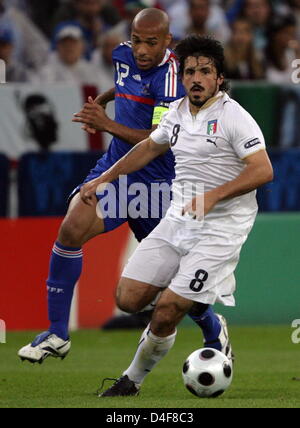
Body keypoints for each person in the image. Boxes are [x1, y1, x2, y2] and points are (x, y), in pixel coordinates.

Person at [18, 9, 227, 365]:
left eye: (151, 43)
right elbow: (127, 84)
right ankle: (57, 333)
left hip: (160, 183)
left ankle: (212, 327)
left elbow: (159, 140)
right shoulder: (121, 54)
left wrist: (106, 124)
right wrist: (106, 98)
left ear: (167, 42)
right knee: (71, 228)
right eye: (137, 40)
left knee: (172, 280)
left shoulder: (175, 79)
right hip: (118, 172)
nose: (142, 50)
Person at [82, 34, 273, 397]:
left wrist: (214, 196)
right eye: (189, 72)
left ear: (219, 78)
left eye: (205, 71)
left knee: (167, 309)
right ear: (181, 77)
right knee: (128, 298)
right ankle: (210, 318)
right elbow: (148, 148)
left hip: (221, 228)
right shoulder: (177, 113)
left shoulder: (235, 117)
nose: (196, 78)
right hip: (178, 220)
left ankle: (131, 380)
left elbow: (263, 170)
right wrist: (104, 179)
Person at [34, 25, 103, 86]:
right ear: (58, 47)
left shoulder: (92, 71)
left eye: (73, 43)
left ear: (82, 47)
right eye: (65, 44)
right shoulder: (46, 72)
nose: (69, 47)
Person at [265, 14, 300, 84]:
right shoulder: (262, 56)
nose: (290, 38)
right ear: (275, 35)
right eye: (287, 33)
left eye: (292, 34)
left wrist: (298, 55)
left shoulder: (292, 54)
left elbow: (297, 83)